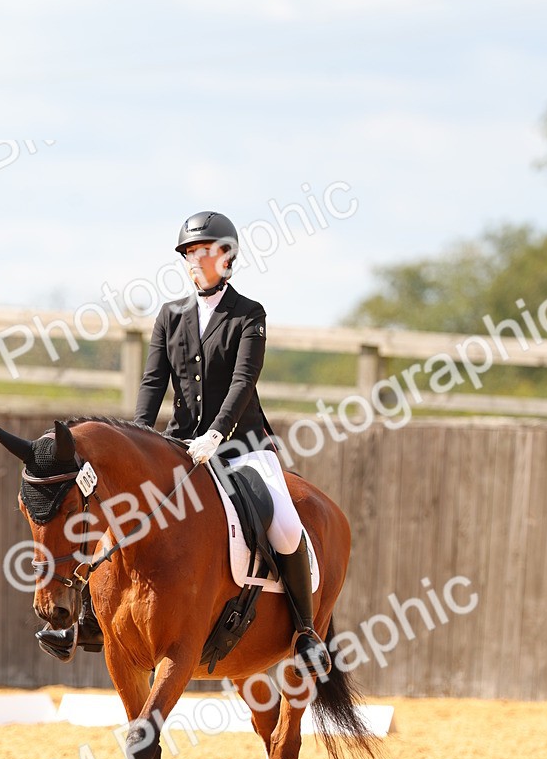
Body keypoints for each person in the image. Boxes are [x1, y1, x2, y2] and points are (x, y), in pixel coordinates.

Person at [42, 210, 331, 676]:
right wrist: (133, 442)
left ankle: (304, 631)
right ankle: (90, 618)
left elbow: (243, 380)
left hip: (242, 445)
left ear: (227, 256)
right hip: (177, 445)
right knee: (115, 511)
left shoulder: (248, 314)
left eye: (204, 252)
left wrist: (218, 432)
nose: (195, 261)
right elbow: (154, 381)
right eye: (189, 254)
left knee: (284, 524)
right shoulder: (170, 314)